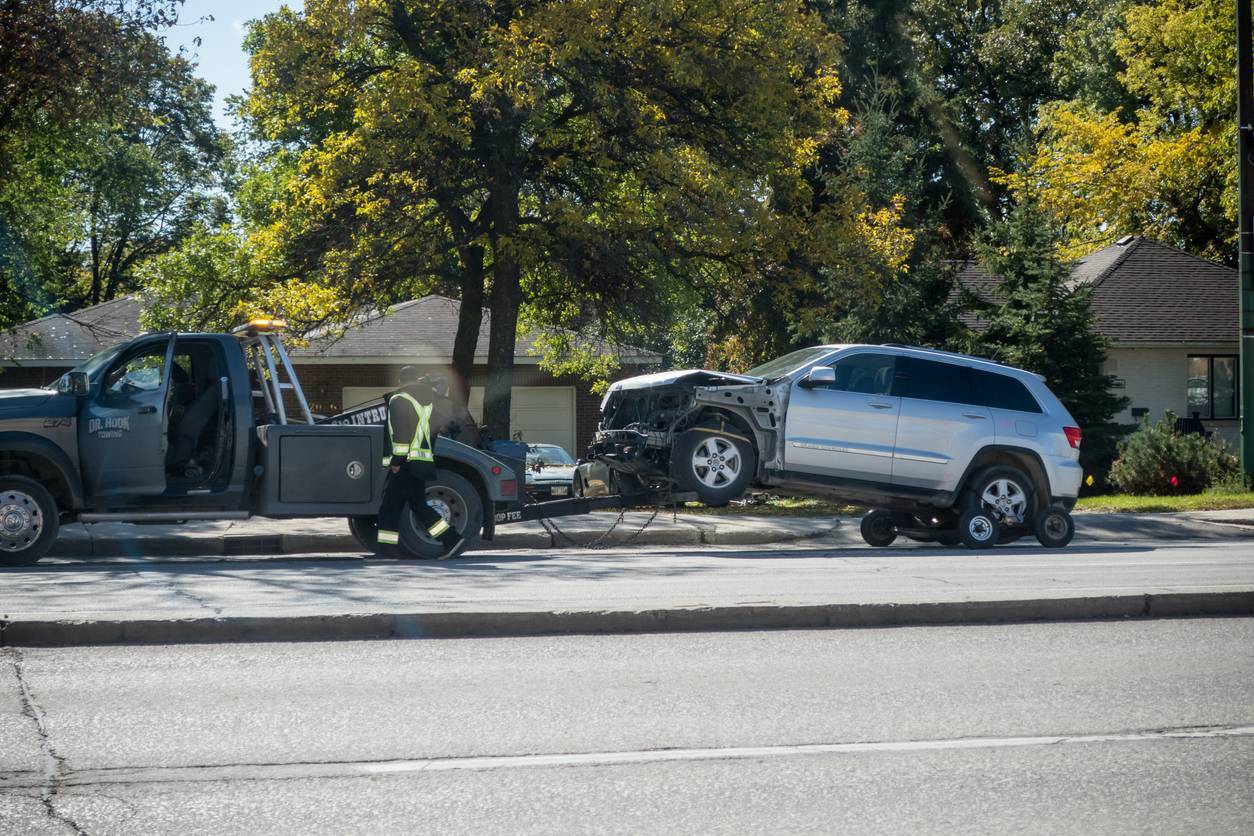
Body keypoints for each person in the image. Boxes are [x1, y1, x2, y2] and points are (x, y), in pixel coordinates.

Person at [376, 366, 461, 557]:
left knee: (390, 506)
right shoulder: (430, 401)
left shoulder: (399, 399)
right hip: (421, 462)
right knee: (419, 506)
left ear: (400, 381)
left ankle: (387, 550)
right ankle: (451, 539)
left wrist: (396, 461)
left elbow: (401, 434)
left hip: (405, 464)